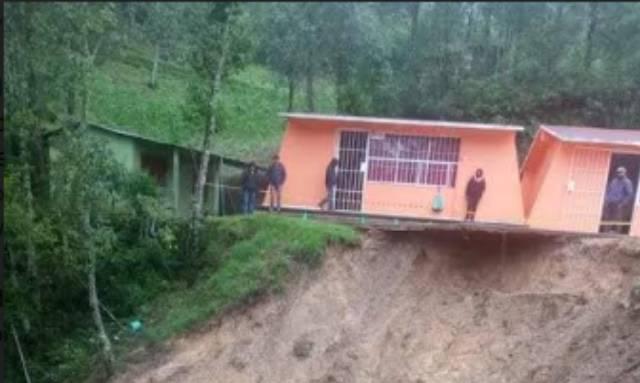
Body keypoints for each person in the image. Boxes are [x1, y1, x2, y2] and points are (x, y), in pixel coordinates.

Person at [603, 166, 634, 233]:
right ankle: (606, 232)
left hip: (619, 204)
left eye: (621, 172)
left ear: (625, 173)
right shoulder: (614, 181)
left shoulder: (627, 182)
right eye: (618, 172)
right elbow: (609, 191)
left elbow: (629, 194)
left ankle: (617, 233)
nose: (619, 174)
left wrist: (622, 204)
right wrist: (606, 200)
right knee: (608, 218)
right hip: (610, 203)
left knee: (618, 219)